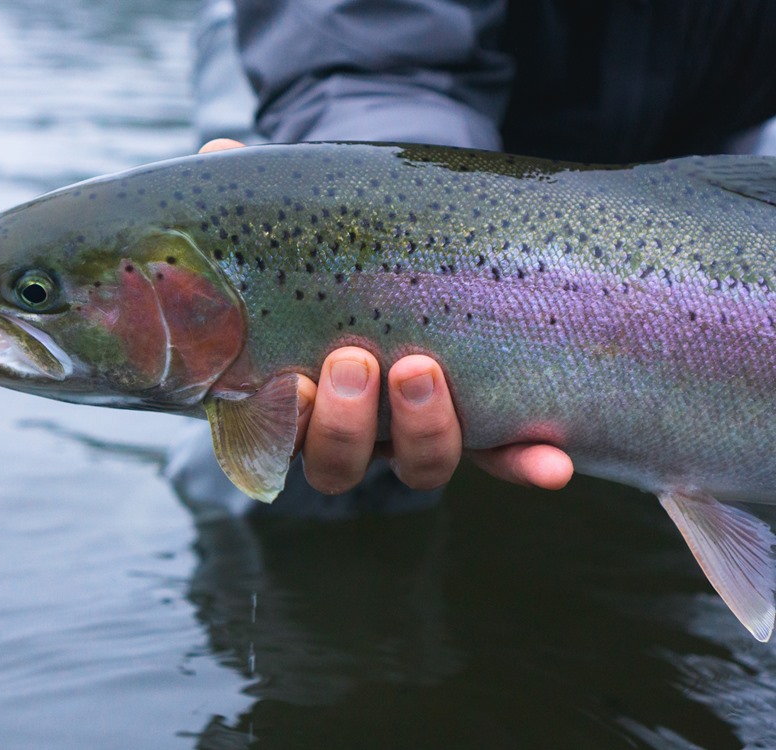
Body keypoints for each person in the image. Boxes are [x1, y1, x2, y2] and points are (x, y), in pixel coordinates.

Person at [174, 0, 776, 513]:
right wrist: (381, 255)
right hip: (342, 65)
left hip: (713, 118)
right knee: (280, 437)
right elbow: (375, 57)